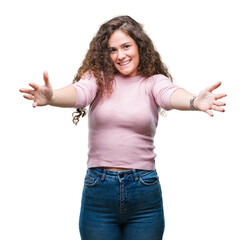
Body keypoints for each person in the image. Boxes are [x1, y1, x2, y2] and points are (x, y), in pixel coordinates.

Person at [19, 15, 226, 240]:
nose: (120, 55)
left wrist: (194, 102)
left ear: (139, 46)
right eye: (112, 50)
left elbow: (170, 95)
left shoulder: (153, 82)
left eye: (126, 46)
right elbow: (79, 93)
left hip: (144, 192)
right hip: (99, 192)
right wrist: (53, 96)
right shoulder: (98, 79)